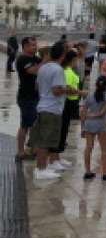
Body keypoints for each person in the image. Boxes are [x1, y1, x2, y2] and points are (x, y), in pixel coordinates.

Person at [33, 42, 81, 180]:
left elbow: (37, 86)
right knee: (46, 141)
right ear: (62, 55)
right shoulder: (58, 70)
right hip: (52, 109)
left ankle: (44, 166)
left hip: (43, 106)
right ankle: (40, 169)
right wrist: (69, 89)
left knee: (45, 139)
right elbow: (56, 90)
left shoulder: (43, 67)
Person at [81, 75, 106, 181]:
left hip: (88, 124)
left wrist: (83, 127)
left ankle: (88, 172)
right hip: (100, 125)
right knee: (104, 149)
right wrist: (94, 116)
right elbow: (102, 113)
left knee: (88, 147)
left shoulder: (89, 96)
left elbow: (83, 112)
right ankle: (105, 173)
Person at [55, 49, 86, 159]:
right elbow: (66, 88)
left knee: (65, 129)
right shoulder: (67, 72)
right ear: (73, 59)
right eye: (76, 59)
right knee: (62, 130)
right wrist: (81, 92)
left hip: (70, 103)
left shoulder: (68, 70)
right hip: (66, 103)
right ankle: (55, 158)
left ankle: (58, 157)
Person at [15, 36, 42, 160]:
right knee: (25, 125)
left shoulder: (36, 58)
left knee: (35, 124)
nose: (35, 47)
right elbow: (35, 71)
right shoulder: (22, 59)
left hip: (36, 96)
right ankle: (20, 152)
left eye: (35, 44)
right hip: (26, 97)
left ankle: (34, 150)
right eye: (32, 45)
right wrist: (45, 61)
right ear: (25, 46)